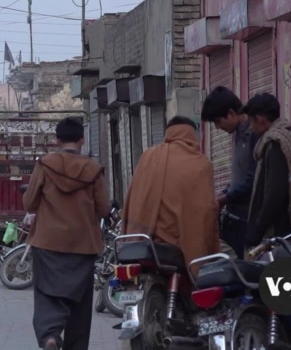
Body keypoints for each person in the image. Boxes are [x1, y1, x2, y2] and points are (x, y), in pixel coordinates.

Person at [22, 117, 110, 350]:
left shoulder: (45, 164)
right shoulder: (93, 169)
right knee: (79, 304)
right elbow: (103, 209)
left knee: (47, 295)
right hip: (83, 246)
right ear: (82, 139)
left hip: (48, 243)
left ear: (57, 140)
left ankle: (50, 336)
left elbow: (29, 202)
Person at [122, 116, 221, 275]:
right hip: (179, 247)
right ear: (192, 135)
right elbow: (205, 211)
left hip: (142, 241)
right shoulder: (200, 163)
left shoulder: (148, 157)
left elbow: (131, 199)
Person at [242, 93, 291, 252]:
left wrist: (257, 230)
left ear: (261, 119)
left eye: (251, 121)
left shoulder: (274, 145)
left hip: (279, 235)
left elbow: (275, 193)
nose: (251, 128)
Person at [200, 86, 258, 259]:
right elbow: (239, 177)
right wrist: (225, 192)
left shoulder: (253, 135)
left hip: (248, 219)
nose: (218, 128)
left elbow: (252, 179)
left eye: (218, 121)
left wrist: (225, 198)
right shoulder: (239, 135)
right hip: (236, 217)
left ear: (231, 113)